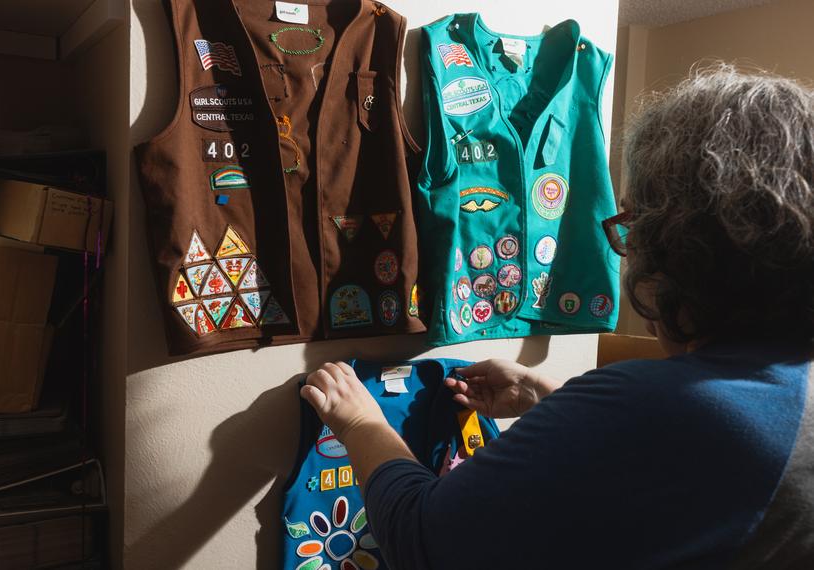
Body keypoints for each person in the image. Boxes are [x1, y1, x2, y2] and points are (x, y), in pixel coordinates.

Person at [301, 67, 814, 568]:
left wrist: (361, 421)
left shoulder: (652, 402)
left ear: (681, 247)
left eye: (632, 228)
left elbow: (422, 541)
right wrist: (550, 397)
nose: (628, 252)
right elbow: (695, 469)